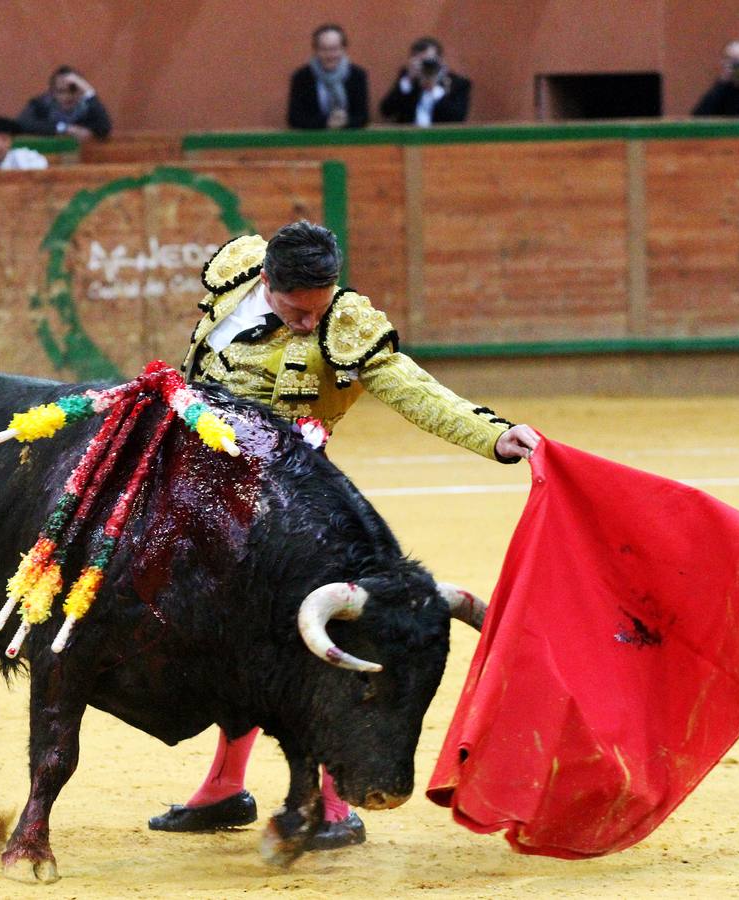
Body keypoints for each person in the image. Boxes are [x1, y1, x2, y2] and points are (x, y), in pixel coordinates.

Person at [149, 221, 539, 850]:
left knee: (311, 647)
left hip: (296, 508)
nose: (310, 323)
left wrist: (492, 435)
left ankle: (331, 802)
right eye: (297, 311)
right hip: (209, 496)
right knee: (234, 642)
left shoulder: (345, 324)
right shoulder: (234, 276)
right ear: (266, 283)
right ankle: (225, 787)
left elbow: (412, 389)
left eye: (319, 308)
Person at [288, 23, 369, 130]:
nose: (330, 55)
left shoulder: (357, 75)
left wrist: (345, 122)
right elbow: (294, 118)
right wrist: (326, 122)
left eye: (334, 49)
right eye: (324, 49)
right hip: (313, 142)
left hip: (348, 142)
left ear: (343, 49)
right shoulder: (302, 77)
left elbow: (363, 116)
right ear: (315, 50)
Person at [380, 36, 471, 126]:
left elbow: (457, 118)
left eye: (428, 61)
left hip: (441, 138)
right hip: (409, 137)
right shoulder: (408, 80)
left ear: (440, 61)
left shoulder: (457, 83)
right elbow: (386, 111)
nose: (425, 66)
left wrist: (433, 89)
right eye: (421, 61)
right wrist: (408, 81)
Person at [16, 66, 113, 141]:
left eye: (72, 91)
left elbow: (105, 128)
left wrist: (89, 92)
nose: (67, 97)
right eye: (61, 91)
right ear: (52, 92)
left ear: (80, 91)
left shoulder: (88, 108)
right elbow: (22, 124)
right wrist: (64, 128)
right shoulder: (41, 105)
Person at [691, 39, 739, 116]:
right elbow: (699, 116)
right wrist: (721, 85)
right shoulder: (721, 88)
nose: (735, 66)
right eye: (729, 60)